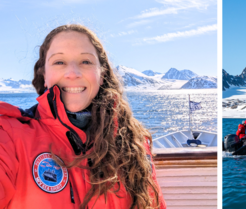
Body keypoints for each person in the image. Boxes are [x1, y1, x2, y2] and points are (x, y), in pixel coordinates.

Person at [0, 24, 165, 209]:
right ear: (44, 75)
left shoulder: (133, 142)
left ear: (101, 75)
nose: (73, 73)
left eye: (85, 62)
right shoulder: (9, 135)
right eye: (59, 62)